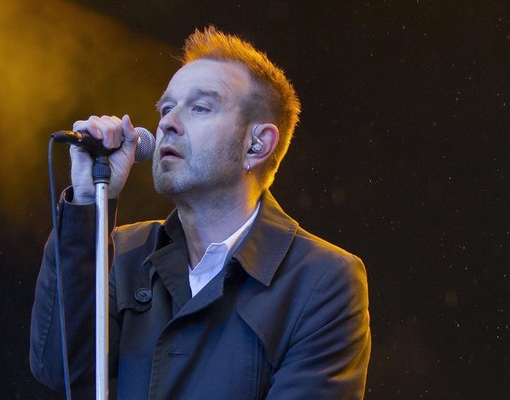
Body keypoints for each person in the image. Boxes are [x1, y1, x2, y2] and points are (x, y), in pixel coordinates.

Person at [30, 26, 371, 399]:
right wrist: (86, 204)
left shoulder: (321, 279)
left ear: (257, 144)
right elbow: (59, 365)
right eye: (165, 108)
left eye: (199, 107)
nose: (166, 123)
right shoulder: (123, 252)